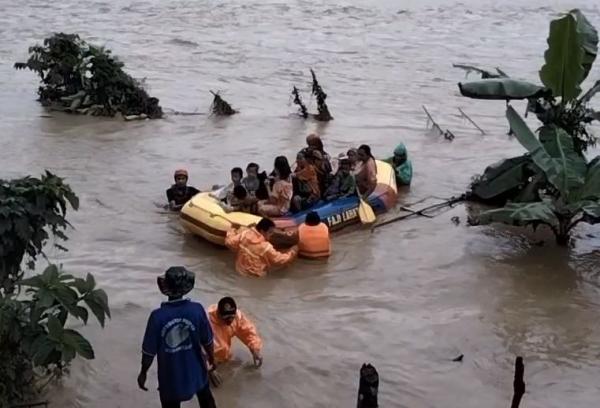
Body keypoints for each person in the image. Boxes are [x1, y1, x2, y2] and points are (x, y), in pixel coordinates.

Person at [138, 266, 217, 408]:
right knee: (207, 402)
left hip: (170, 377)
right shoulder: (197, 310)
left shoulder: (157, 317)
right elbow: (208, 341)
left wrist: (143, 372)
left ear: (165, 286)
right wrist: (212, 358)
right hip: (196, 371)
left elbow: (148, 352)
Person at [225, 218, 298, 277]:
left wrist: (232, 229)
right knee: (285, 267)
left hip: (239, 271)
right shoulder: (265, 247)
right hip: (256, 277)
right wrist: (292, 252)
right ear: (262, 231)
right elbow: (280, 260)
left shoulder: (245, 233)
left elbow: (229, 242)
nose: (272, 234)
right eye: (270, 232)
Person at [207, 297, 263, 367]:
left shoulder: (237, 316)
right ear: (218, 314)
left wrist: (255, 350)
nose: (230, 321)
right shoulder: (207, 322)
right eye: (226, 318)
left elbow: (249, 332)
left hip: (223, 354)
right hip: (212, 357)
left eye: (232, 317)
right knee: (221, 349)